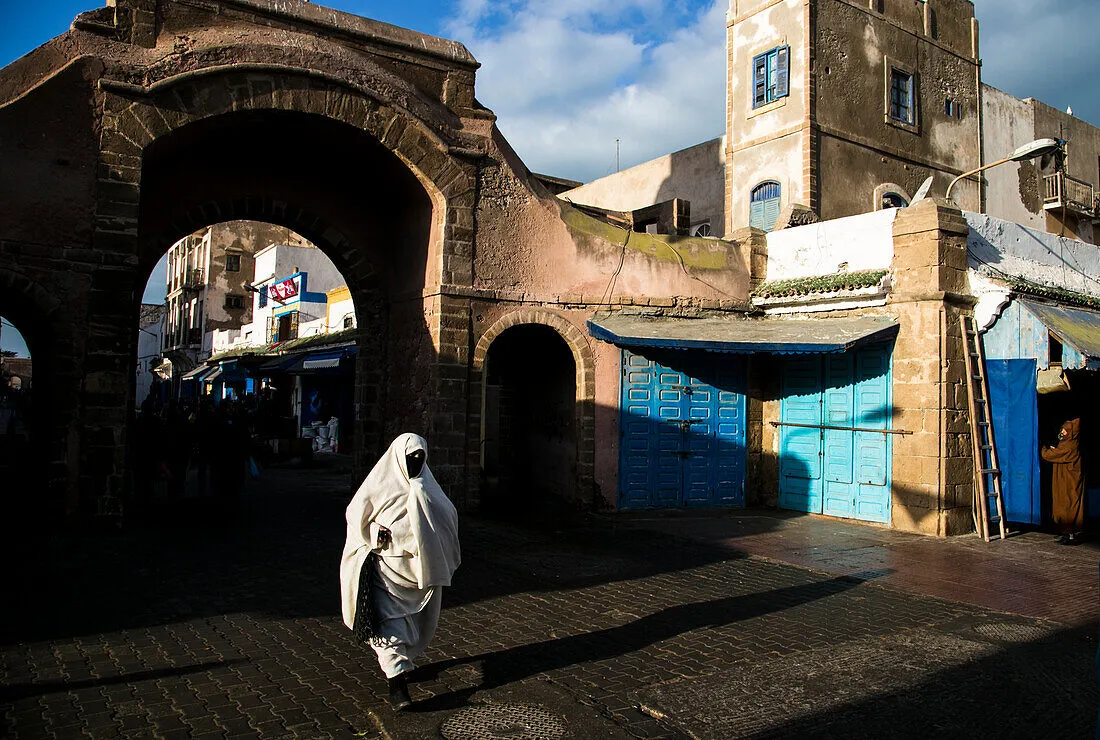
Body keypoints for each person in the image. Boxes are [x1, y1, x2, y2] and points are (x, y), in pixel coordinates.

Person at [340, 433, 460, 710]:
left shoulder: (429, 490)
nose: (415, 463)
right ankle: (397, 686)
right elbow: (355, 516)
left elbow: (448, 522)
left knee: (414, 625)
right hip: (386, 572)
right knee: (388, 628)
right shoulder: (380, 485)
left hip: (417, 575)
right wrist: (374, 533)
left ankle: (403, 664)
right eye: (410, 458)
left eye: (420, 458)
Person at [1041, 417, 1085, 545]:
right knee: (1062, 504)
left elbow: (1051, 455)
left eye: (1066, 431)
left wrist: (1044, 449)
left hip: (1070, 482)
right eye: (1062, 430)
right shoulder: (1065, 443)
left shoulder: (1070, 445)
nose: (1063, 433)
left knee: (1069, 505)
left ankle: (1071, 534)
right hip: (1064, 480)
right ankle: (1066, 532)